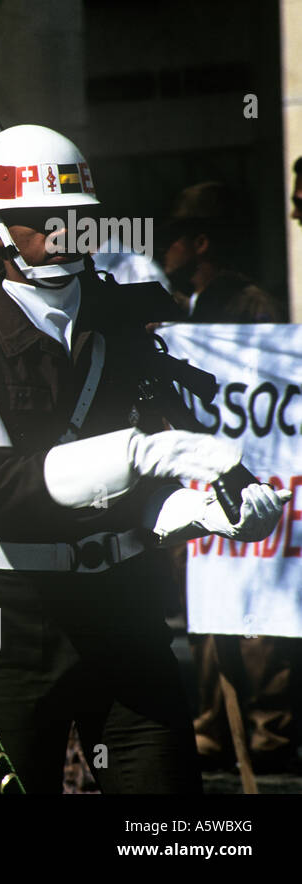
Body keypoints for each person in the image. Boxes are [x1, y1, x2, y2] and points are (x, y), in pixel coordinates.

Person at [0, 125, 287, 793]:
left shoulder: (124, 327)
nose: (63, 235)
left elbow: (144, 494)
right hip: (18, 615)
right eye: (41, 221)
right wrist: (147, 452)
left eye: (75, 220)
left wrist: (206, 511)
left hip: (124, 602)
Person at [161, 178, 298, 773]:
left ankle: (270, 730)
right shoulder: (186, 310)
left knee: (257, 616)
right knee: (208, 605)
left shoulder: (251, 305)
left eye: (173, 240)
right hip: (207, 479)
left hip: (260, 482)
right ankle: (214, 725)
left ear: (199, 243)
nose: (163, 252)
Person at [162, 181, 281, 322]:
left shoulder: (253, 305)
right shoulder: (177, 306)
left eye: (172, 237)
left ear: (201, 244)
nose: (164, 247)